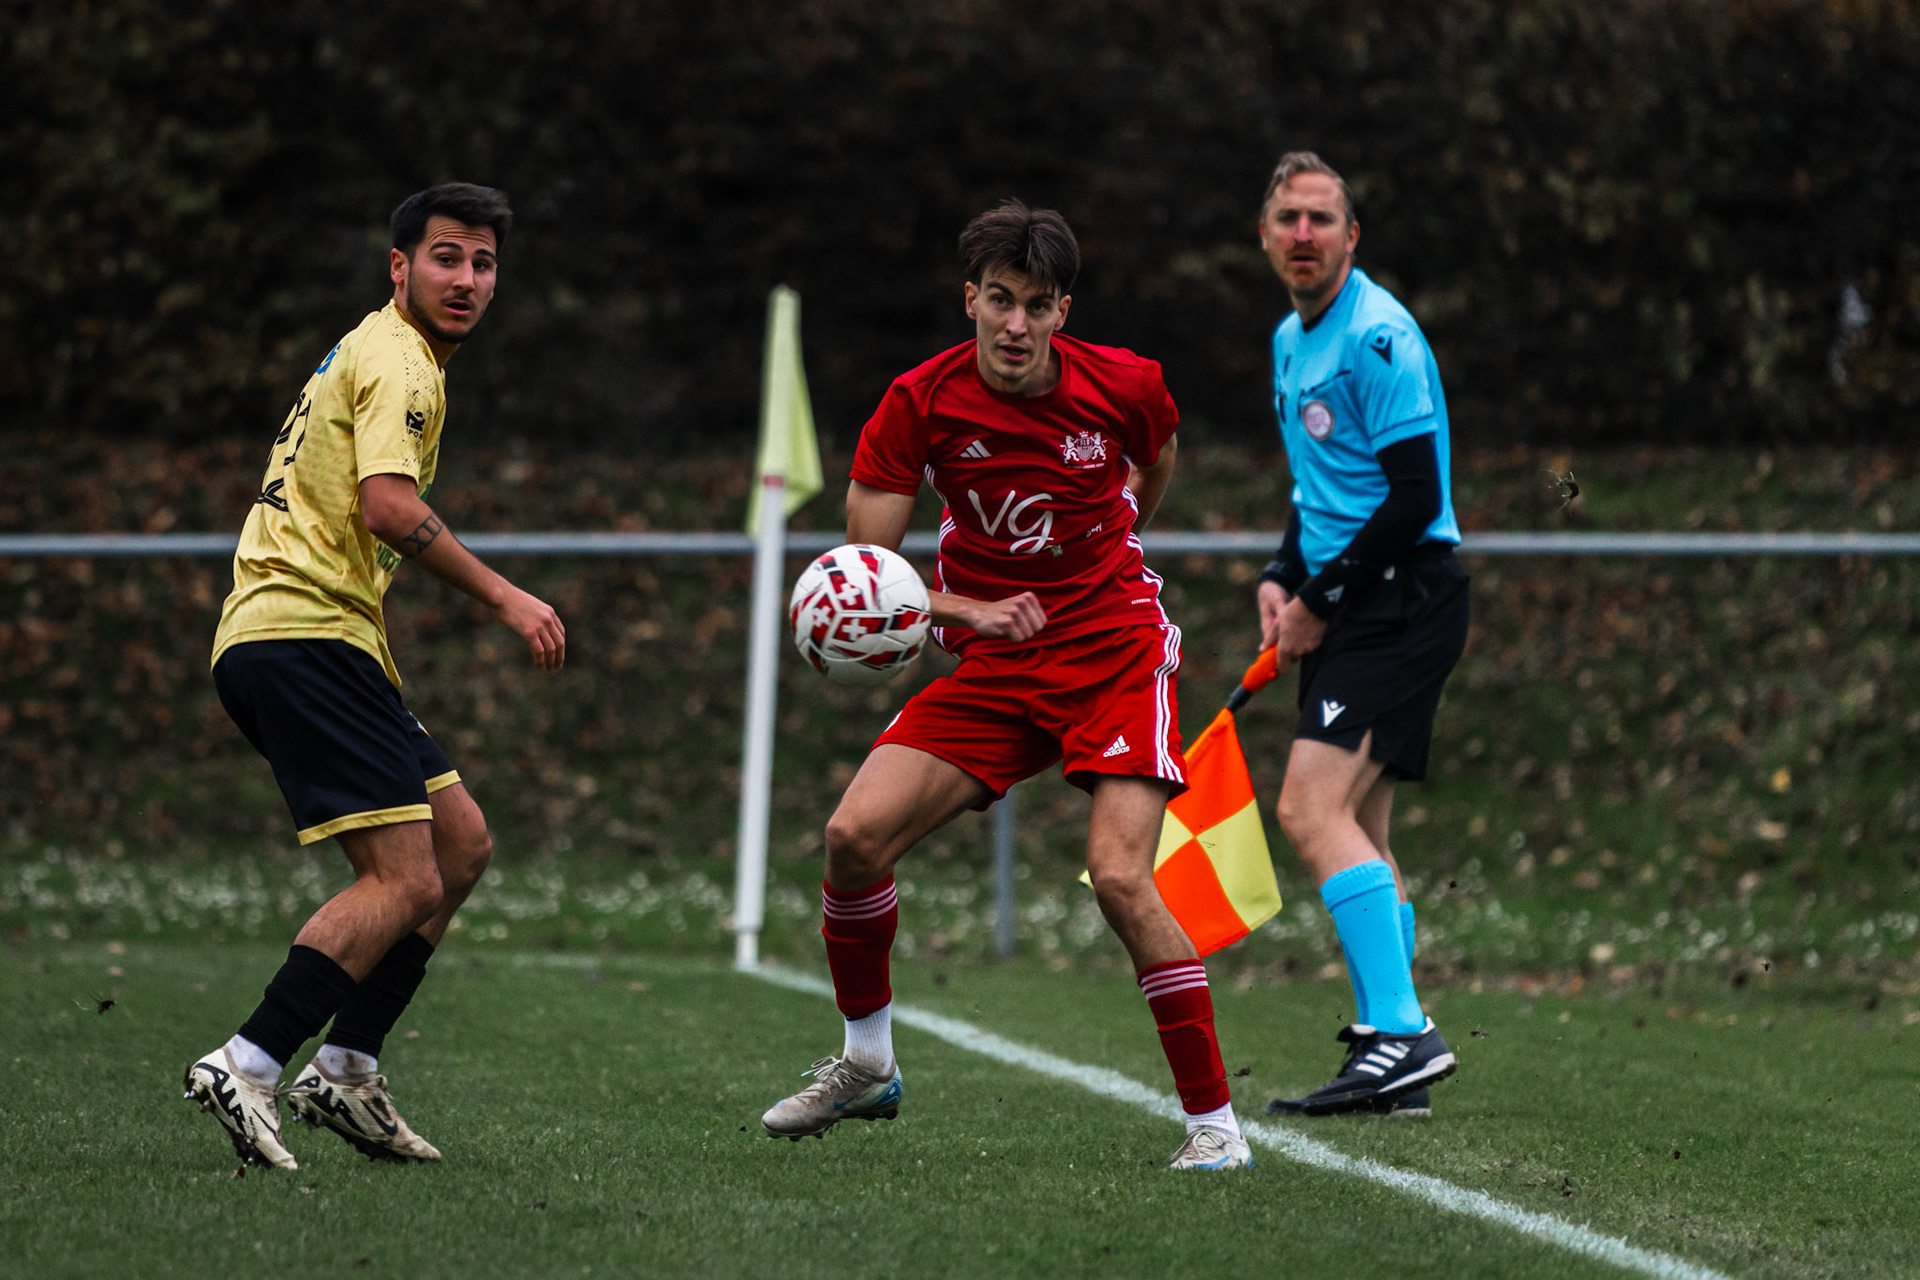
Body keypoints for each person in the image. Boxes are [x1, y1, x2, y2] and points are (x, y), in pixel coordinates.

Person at [759, 200, 1251, 1171]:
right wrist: (966, 613)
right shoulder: (920, 401)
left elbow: (1155, 460)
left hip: (1115, 650)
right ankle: (867, 1062)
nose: (1014, 324)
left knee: (1117, 874)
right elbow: (869, 568)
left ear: (1063, 311)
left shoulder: (1126, 384)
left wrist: (1114, 534)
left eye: (1035, 305)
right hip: (996, 660)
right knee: (853, 837)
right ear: (969, 300)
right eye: (997, 300)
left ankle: (1216, 1127)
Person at [184, 183, 566, 1169]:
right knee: (401, 877)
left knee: (461, 841)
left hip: (317, 636)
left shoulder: (377, 348)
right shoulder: (400, 360)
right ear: (399, 267)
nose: (467, 279)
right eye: (446, 257)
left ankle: (346, 1066)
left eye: (483, 263)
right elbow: (390, 507)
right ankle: (251, 1058)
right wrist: (505, 596)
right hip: (304, 632)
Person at [1252, 152, 1469, 1118]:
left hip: (1404, 597)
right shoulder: (1288, 343)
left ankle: (1404, 1032)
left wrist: (1320, 601)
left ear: (1351, 237)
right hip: (1354, 598)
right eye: (1289, 218)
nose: (1305, 234)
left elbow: (1414, 497)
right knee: (1361, 833)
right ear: (1265, 235)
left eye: (1323, 220)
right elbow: (1321, 491)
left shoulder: (1378, 337)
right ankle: (1395, 1057)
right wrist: (1280, 576)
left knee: (1308, 808)